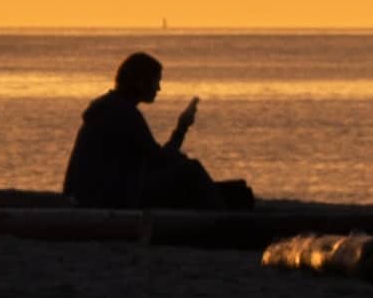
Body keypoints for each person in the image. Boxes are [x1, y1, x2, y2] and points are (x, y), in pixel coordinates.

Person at [61, 52, 251, 209]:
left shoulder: (112, 106)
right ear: (140, 82)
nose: (159, 88)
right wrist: (182, 128)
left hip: (98, 192)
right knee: (191, 170)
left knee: (235, 191)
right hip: (102, 197)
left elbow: (153, 159)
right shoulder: (122, 113)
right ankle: (220, 220)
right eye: (156, 81)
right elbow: (158, 160)